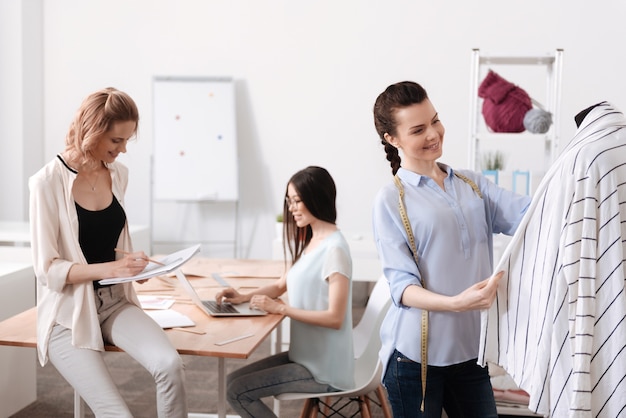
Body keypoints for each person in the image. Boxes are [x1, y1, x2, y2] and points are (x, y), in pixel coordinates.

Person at [371, 81, 531, 418]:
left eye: (435, 121)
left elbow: (531, 216)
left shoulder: (472, 184)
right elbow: (402, 287)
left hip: (470, 354)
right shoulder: (392, 199)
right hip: (415, 361)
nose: (433, 134)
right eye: (418, 129)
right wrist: (456, 304)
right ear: (393, 139)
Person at [29, 87, 188, 418]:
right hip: (67, 316)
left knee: (169, 365)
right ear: (93, 131)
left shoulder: (118, 175)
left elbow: (105, 240)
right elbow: (47, 269)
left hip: (114, 303)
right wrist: (109, 270)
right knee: (116, 413)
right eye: (117, 141)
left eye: (128, 140)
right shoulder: (47, 183)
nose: (123, 149)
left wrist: (132, 264)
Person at [216, 166, 354, 418]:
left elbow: (335, 318)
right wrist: (243, 296)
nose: (291, 208)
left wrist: (280, 308)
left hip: (324, 368)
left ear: (317, 197)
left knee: (237, 391)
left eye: (297, 201)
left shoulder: (335, 250)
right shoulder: (312, 241)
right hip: (304, 355)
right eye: (289, 201)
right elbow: (281, 285)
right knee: (230, 383)